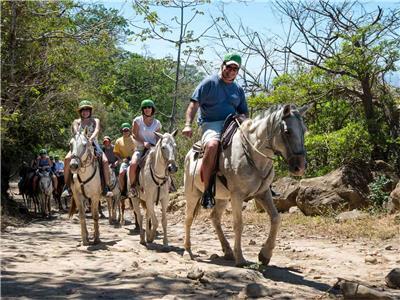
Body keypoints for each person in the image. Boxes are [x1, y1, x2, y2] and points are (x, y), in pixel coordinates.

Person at [182, 52, 249, 209]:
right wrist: (187, 124)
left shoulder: (238, 89)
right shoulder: (209, 83)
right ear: (223, 66)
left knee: (257, 142)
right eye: (229, 67)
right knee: (212, 145)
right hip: (211, 123)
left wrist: (244, 121)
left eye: (235, 69)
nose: (231, 71)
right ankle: (207, 191)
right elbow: (194, 104)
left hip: (233, 123)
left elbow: (244, 111)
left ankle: (262, 184)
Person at [62, 100, 113, 197]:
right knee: (67, 159)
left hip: (93, 144)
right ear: (80, 112)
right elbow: (76, 132)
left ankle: (106, 187)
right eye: (83, 110)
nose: (85, 112)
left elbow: (97, 130)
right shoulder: (76, 122)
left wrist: (91, 138)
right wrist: (83, 139)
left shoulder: (95, 120)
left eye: (87, 110)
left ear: (90, 111)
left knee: (105, 161)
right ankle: (67, 186)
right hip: (80, 145)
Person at [128, 99, 161, 196]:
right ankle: (132, 187)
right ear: (143, 109)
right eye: (145, 107)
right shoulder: (137, 120)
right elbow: (134, 135)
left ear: (152, 109)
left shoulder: (157, 123)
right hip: (140, 148)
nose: (147, 109)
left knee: (165, 161)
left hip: (153, 148)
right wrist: (144, 142)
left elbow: (158, 136)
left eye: (149, 107)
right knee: (133, 164)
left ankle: (169, 185)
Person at [113, 123, 136, 196]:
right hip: (125, 160)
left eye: (127, 130)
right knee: (121, 173)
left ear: (130, 131)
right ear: (121, 131)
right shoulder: (118, 141)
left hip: (135, 159)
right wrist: (121, 159)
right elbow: (116, 152)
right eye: (124, 130)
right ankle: (123, 191)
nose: (126, 132)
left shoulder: (134, 139)